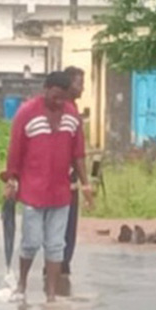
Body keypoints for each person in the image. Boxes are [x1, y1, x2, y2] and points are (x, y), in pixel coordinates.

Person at [2, 70, 95, 303]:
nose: (58, 102)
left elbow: (78, 154)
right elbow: (15, 150)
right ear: (45, 90)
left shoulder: (72, 116)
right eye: (54, 96)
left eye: (62, 98)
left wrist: (85, 184)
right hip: (33, 191)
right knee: (31, 242)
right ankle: (22, 285)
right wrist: (11, 180)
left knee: (56, 245)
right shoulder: (26, 113)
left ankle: (51, 294)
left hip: (61, 192)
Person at [60, 65, 92, 276]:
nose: (82, 89)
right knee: (67, 225)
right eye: (79, 84)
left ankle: (55, 264)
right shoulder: (71, 113)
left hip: (52, 177)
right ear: (69, 84)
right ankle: (62, 266)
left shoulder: (57, 109)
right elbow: (78, 154)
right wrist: (86, 184)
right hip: (68, 179)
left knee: (55, 225)